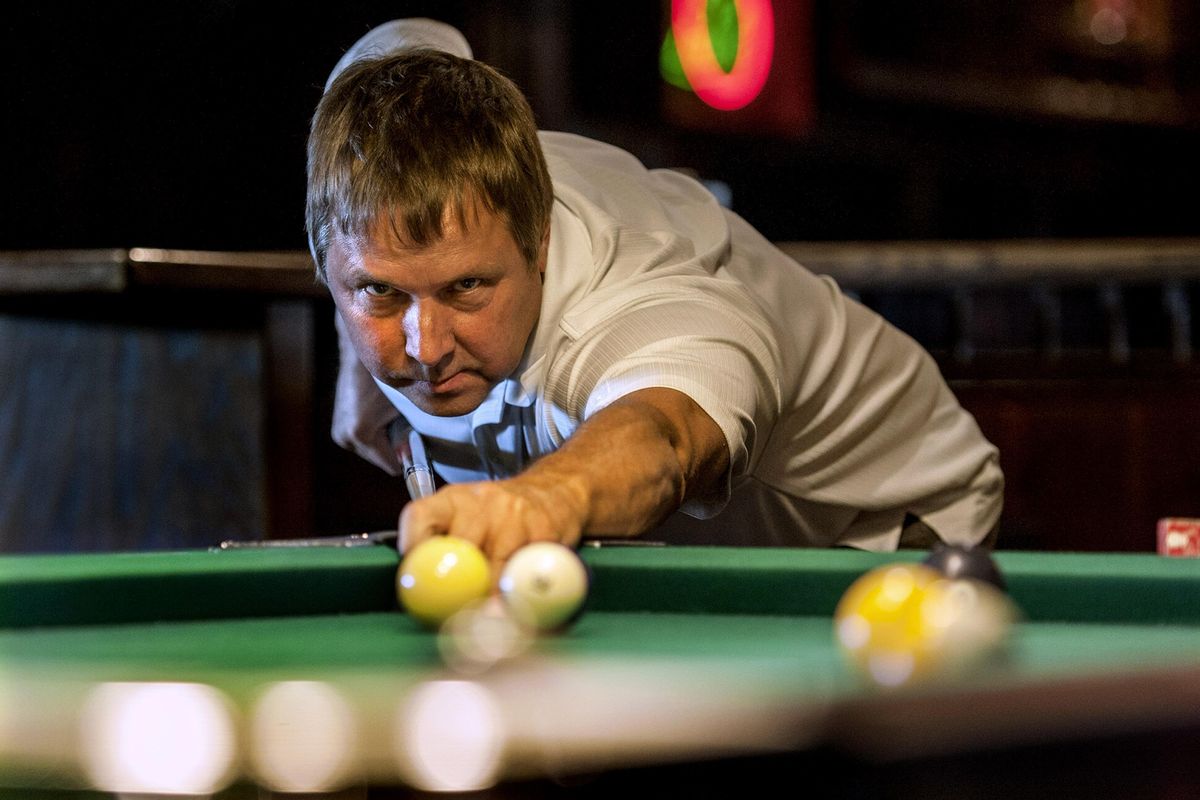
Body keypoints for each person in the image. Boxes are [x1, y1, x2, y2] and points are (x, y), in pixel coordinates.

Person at [307, 19, 1003, 573]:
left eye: (466, 287)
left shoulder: (636, 300)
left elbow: (665, 436)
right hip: (692, 555)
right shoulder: (380, 163)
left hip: (872, 522)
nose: (425, 348)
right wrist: (360, 365)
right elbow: (411, 40)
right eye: (379, 291)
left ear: (539, 244)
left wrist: (545, 500)